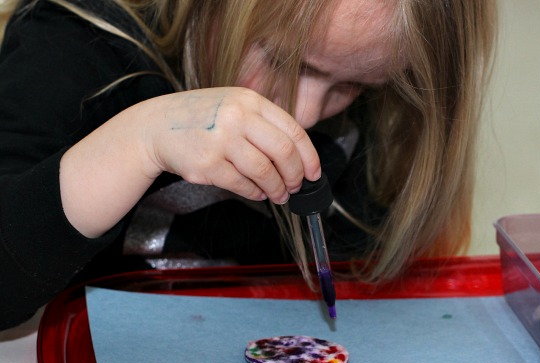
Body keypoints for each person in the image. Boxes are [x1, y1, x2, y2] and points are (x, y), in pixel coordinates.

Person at [0, 0, 497, 329]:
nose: (303, 115)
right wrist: (140, 142)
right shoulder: (76, 45)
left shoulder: (369, 123)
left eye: (351, 87)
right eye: (285, 60)